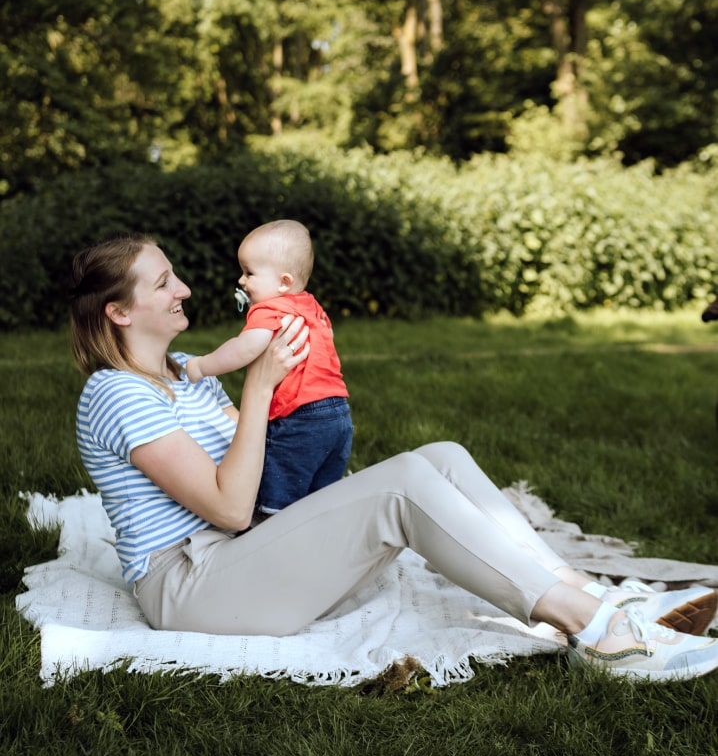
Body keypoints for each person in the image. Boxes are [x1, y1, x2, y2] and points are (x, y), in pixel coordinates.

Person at [70, 233, 718, 682]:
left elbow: (258, 460)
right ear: (119, 312)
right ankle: (600, 633)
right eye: (162, 283)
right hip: (193, 587)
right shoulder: (116, 394)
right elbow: (233, 507)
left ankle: (581, 589)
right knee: (402, 485)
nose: (184, 288)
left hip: (243, 552)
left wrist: (293, 401)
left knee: (441, 454)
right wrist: (263, 386)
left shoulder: (189, 372)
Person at [185, 220, 352, 515]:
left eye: (249, 272)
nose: (241, 280)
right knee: (321, 495)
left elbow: (246, 347)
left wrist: (202, 365)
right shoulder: (311, 306)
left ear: (283, 283)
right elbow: (328, 336)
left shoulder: (269, 309)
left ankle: (268, 526)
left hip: (299, 417)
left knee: (279, 492)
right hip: (338, 414)